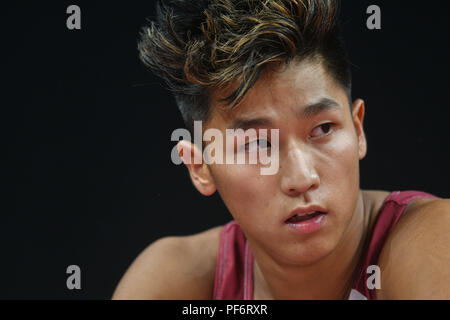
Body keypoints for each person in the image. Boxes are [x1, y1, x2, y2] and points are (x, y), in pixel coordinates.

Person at [112, 0, 450, 299]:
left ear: (357, 128)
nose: (301, 178)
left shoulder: (431, 241)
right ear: (200, 166)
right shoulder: (176, 281)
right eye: (257, 145)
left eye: (322, 129)